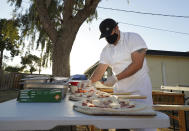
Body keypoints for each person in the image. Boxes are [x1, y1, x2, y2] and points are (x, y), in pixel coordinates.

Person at [84, 18, 155, 131]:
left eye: (109, 33)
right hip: (121, 95)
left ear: (116, 28)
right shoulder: (106, 50)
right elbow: (98, 72)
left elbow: (137, 64)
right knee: (122, 128)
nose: (108, 38)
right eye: (105, 36)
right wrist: (86, 84)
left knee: (145, 127)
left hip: (141, 93)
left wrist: (115, 78)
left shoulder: (133, 38)